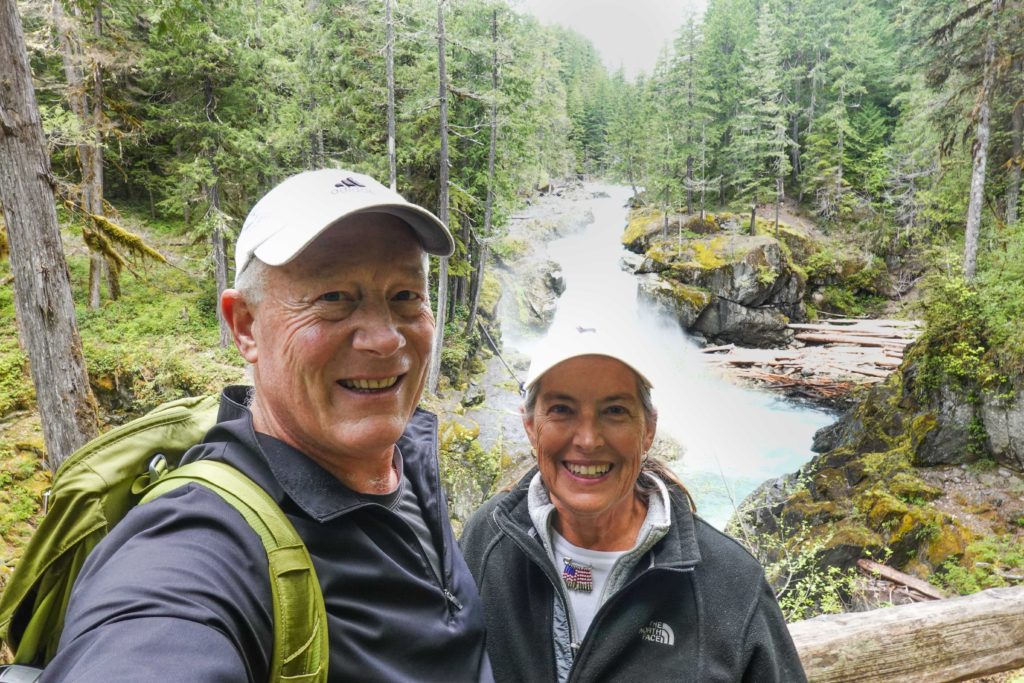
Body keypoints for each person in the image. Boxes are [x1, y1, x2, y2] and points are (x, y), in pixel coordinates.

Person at [45, 169, 493, 682]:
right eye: (333, 298)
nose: (384, 338)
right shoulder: (197, 545)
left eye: (406, 295)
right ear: (245, 326)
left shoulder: (409, 456)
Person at [460, 323, 806, 682]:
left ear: (649, 429)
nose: (589, 440)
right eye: (562, 409)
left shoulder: (729, 582)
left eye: (614, 411)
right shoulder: (487, 542)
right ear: (530, 426)